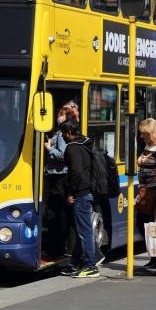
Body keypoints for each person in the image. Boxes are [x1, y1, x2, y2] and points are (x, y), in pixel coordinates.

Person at [57, 119, 99, 278]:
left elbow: (76, 173)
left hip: (81, 194)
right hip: (89, 191)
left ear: (68, 133)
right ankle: (74, 263)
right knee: (83, 229)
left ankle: (91, 265)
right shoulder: (87, 142)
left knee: (85, 232)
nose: (62, 136)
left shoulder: (73, 148)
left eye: (63, 133)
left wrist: (71, 193)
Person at [43, 101, 80, 259]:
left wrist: (49, 148)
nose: (57, 117)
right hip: (56, 177)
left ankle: (57, 249)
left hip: (59, 178)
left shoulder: (64, 133)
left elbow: (64, 155)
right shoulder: (59, 132)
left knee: (57, 214)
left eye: (60, 114)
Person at [135, 118, 156, 271]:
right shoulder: (147, 147)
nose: (142, 137)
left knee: (154, 226)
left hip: (154, 192)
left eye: (145, 134)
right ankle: (155, 257)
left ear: (152, 133)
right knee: (144, 225)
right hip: (144, 192)